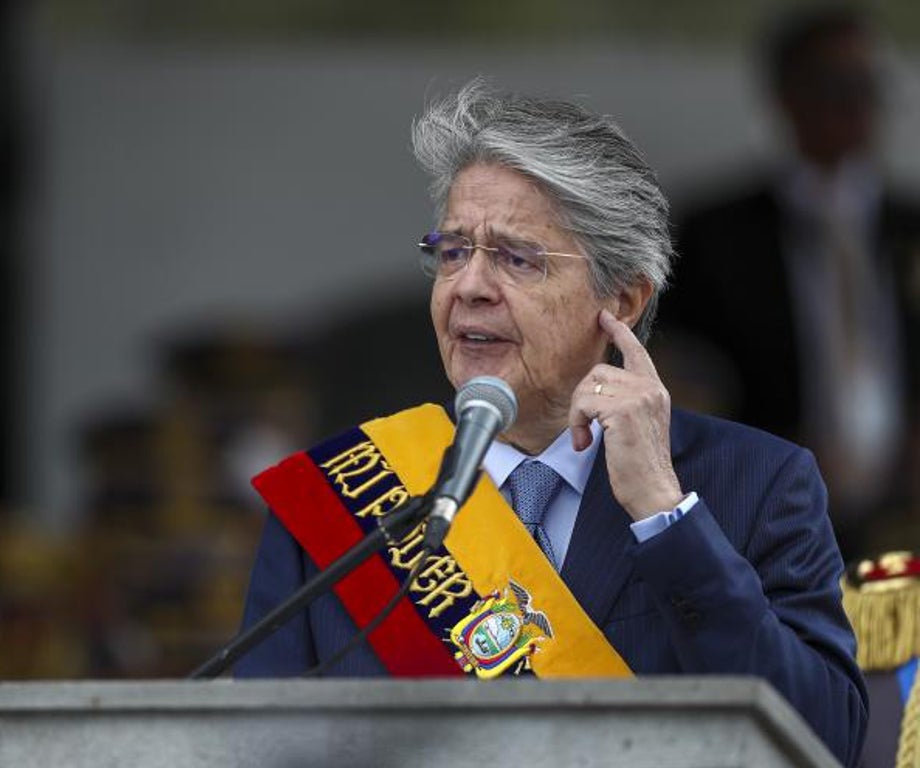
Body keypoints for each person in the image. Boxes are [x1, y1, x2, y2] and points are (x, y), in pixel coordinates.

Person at [235, 79, 867, 766]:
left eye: (515, 257)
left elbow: (822, 741)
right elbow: (260, 747)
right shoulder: (339, 498)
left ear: (622, 301)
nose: (469, 287)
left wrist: (666, 515)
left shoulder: (757, 483)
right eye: (451, 252)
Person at [663, 5, 920, 560]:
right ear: (786, 95)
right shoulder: (718, 235)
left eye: (868, 84)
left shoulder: (907, 227)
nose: (855, 103)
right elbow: (682, 375)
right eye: (834, 84)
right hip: (769, 512)